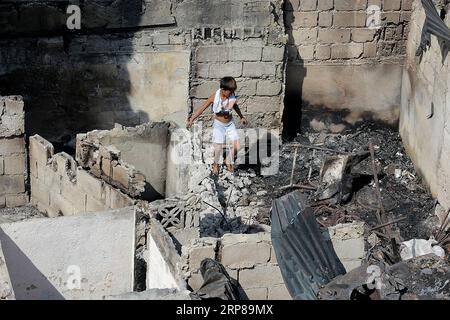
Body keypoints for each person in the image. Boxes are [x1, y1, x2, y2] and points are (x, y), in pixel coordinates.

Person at [187, 77, 248, 176]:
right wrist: (192, 119)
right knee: (218, 147)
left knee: (237, 145)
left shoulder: (231, 95)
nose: (231, 93)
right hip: (219, 124)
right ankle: (216, 165)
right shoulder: (214, 97)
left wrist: (241, 116)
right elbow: (202, 108)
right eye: (230, 91)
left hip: (230, 124)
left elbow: (235, 106)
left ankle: (227, 160)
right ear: (223, 89)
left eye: (233, 91)